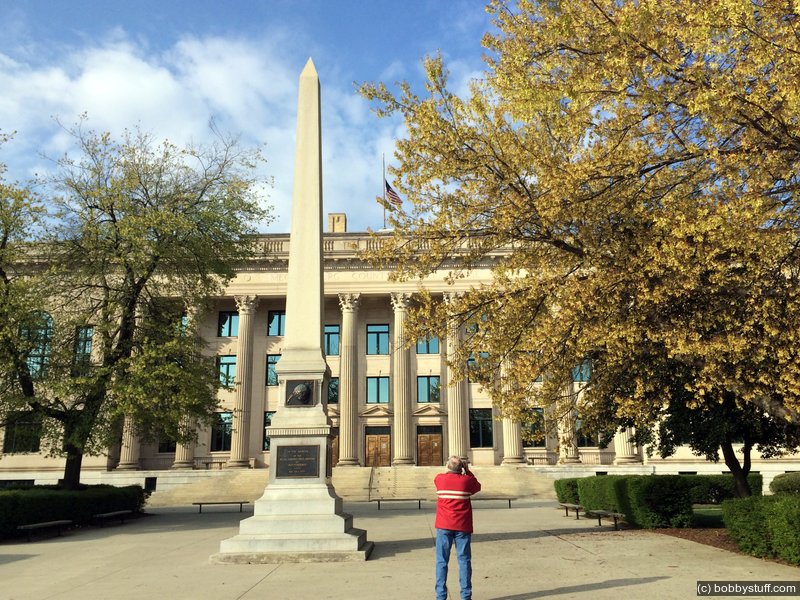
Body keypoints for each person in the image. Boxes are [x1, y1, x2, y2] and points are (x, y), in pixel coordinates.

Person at [434, 455, 482, 600]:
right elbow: (477, 486)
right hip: (462, 527)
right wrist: (467, 471)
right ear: (461, 468)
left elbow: (441, 477)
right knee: (464, 561)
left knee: (441, 561)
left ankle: (441, 596)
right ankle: (465, 596)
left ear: (447, 466)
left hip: (443, 526)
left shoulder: (440, 479)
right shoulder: (467, 481)